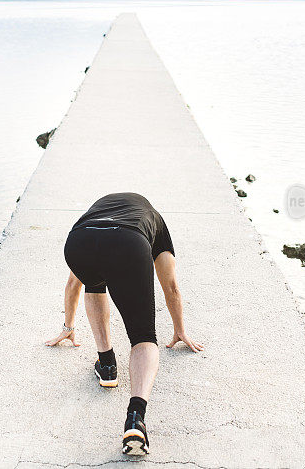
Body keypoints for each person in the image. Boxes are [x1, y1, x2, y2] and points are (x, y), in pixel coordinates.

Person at [45, 192, 204, 456]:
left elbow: (74, 282)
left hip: (78, 242)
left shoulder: (95, 215)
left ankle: (107, 365)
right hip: (128, 243)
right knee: (143, 337)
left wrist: (68, 327)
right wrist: (179, 329)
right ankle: (135, 419)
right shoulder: (156, 223)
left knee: (94, 283)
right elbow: (171, 286)